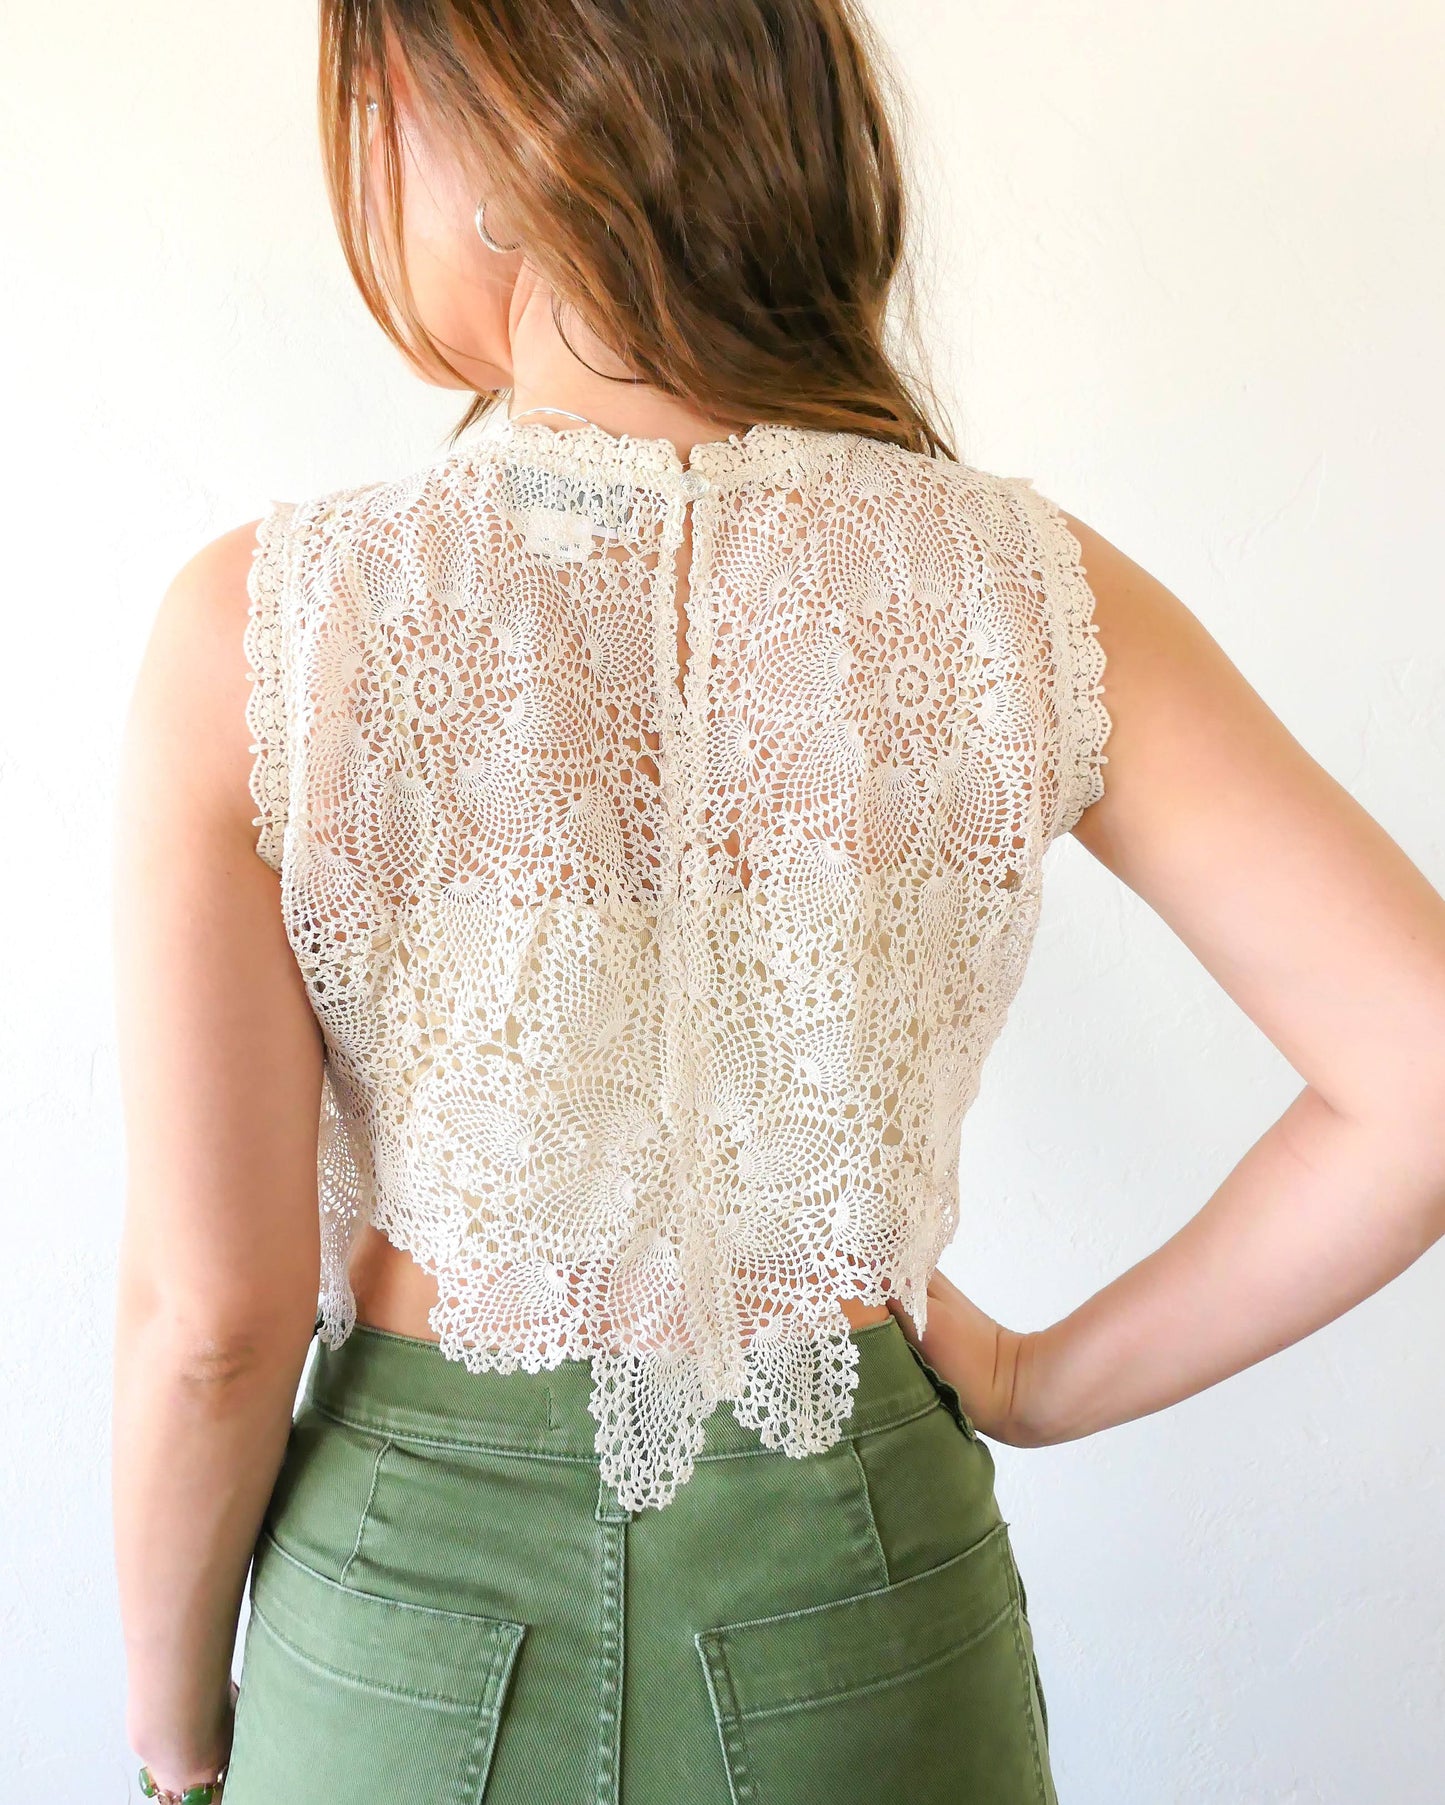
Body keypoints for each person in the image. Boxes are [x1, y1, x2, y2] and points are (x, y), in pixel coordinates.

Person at [110, 3, 1445, 1802]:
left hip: (401, 1628)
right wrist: (1038, 1380)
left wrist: (176, 1731)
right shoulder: (1027, 589)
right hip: (862, 1591)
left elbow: (214, 1320)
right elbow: (1420, 1070)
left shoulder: (270, 626)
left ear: (465, 120)